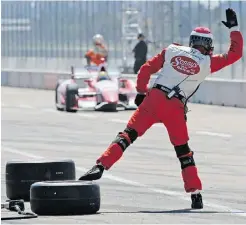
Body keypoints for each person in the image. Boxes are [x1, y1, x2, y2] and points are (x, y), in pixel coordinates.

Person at [79, 8, 243, 209]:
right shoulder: (209, 63)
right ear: (208, 45)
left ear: (192, 41)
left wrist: (140, 93)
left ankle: (100, 166)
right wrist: (234, 28)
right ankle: (195, 194)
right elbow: (236, 53)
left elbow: (145, 69)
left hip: (153, 98)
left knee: (126, 136)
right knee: (183, 152)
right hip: (175, 107)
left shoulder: (172, 50)